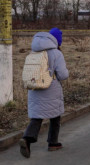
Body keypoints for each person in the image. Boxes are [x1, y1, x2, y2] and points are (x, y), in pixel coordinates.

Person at [19, 28, 69, 158]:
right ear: (57, 41)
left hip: (34, 87)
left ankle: (27, 139)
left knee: (37, 116)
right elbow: (63, 75)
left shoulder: (34, 51)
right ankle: (53, 143)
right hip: (50, 88)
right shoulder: (56, 53)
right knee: (55, 116)